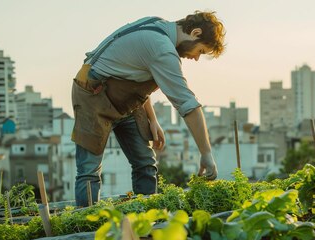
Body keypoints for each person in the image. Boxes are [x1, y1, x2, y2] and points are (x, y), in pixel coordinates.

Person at [71, 11, 225, 207]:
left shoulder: (159, 28)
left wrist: (152, 120)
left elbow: (137, 77)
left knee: (145, 163)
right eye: (201, 52)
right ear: (195, 33)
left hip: (127, 102)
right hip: (92, 96)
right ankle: (86, 226)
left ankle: (145, 218)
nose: (195, 58)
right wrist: (206, 153)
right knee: (89, 170)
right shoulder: (161, 47)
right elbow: (188, 104)